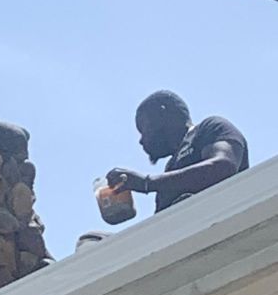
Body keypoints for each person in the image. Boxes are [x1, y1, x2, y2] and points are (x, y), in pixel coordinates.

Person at [106, 90, 249, 212]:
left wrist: (147, 183)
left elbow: (223, 166)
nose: (142, 140)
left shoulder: (210, 127)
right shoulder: (170, 168)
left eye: (144, 129)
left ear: (162, 113)